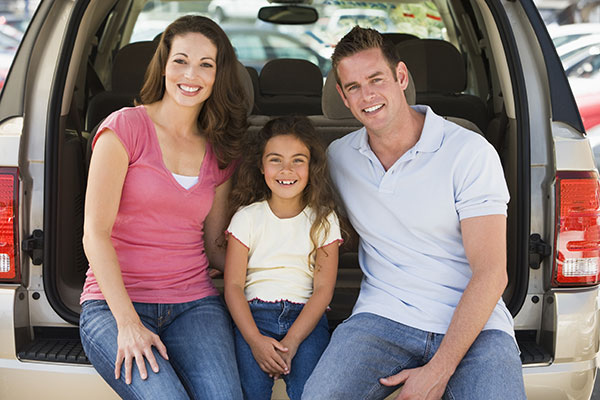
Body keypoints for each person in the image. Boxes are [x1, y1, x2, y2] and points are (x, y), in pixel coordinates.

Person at [302, 26, 526, 400]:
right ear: (341, 95)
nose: (367, 95)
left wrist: (438, 371)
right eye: (353, 86)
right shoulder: (339, 157)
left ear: (401, 77)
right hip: (383, 318)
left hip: (477, 326)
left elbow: (491, 274)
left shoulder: (469, 152)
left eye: (376, 79)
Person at [79, 15, 247, 400]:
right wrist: (128, 323)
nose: (192, 74)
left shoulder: (219, 149)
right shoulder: (124, 128)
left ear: (219, 76)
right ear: (164, 65)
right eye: (181, 61)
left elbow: (214, 247)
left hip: (194, 304)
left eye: (206, 64)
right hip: (113, 305)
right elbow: (95, 233)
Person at [224, 116, 344, 400]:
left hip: (306, 320)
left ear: (312, 166)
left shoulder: (324, 219)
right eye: (275, 160)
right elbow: (233, 287)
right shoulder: (247, 217)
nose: (286, 170)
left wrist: (292, 341)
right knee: (249, 392)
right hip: (253, 318)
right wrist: (254, 341)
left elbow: (324, 289)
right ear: (261, 166)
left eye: (298, 160)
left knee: (311, 392)